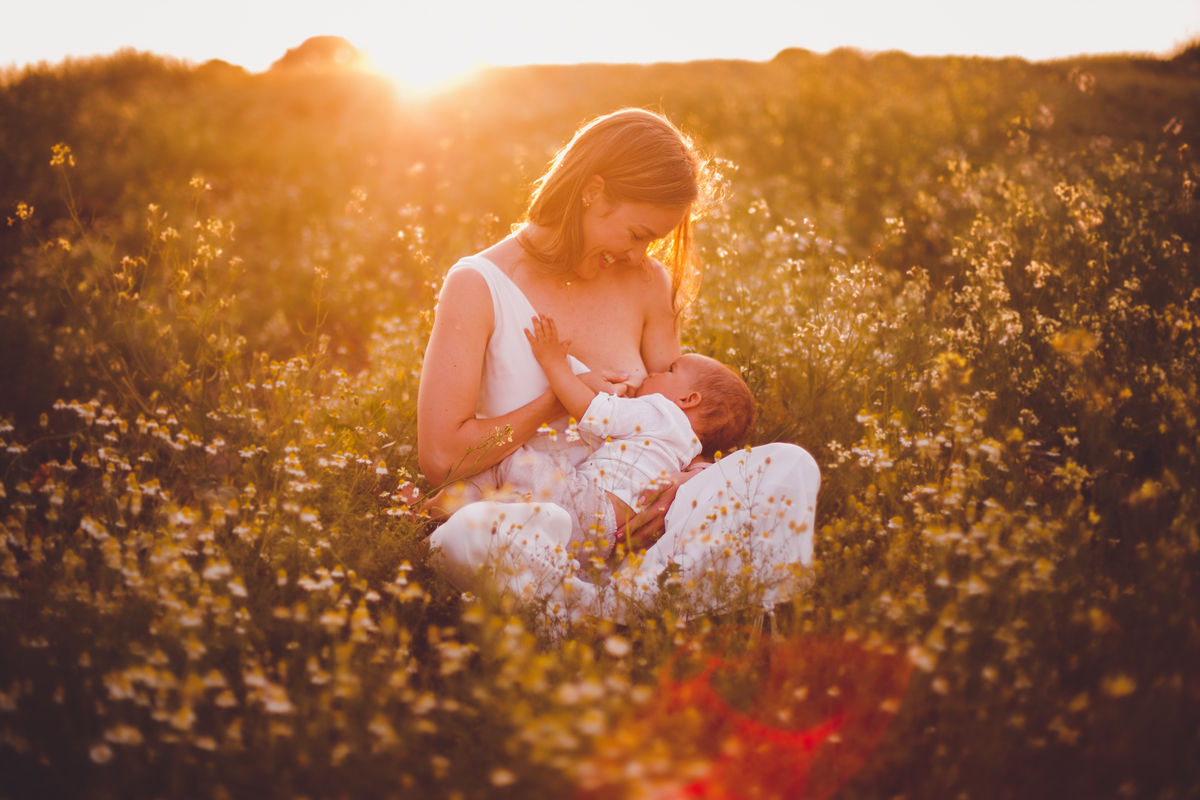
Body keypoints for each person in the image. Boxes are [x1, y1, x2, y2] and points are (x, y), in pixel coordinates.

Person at [417, 107, 820, 621]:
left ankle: (621, 605)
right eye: (636, 233)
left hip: (634, 536)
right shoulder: (476, 285)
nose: (638, 255)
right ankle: (615, 616)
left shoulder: (647, 282)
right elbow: (442, 455)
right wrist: (556, 399)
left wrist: (688, 475)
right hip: (537, 525)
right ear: (593, 192)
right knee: (471, 536)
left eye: (651, 241)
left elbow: (681, 412)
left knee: (789, 466)